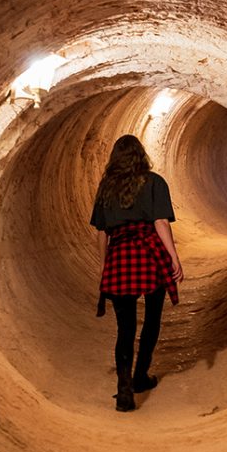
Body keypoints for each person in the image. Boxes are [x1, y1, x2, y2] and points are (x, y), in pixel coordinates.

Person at [89, 134, 184, 412]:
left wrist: (104, 266)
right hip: (150, 253)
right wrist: (173, 258)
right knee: (152, 319)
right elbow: (161, 222)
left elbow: (102, 233)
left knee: (125, 328)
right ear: (141, 155)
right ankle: (140, 376)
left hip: (120, 256)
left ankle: (124, 390)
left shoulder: (106, 187)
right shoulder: (154, 182)